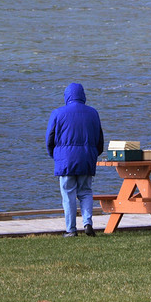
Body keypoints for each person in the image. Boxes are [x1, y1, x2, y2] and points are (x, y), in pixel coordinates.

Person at [45, 82, 104, 237]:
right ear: (83, 95)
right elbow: (100, 139)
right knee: (85, 191)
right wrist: (93, 155)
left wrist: (55, 156)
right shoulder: (93, 113)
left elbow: (49, 140)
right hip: (86, 158)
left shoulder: (57, 113)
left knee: (68, 194)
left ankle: (71, 229)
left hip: (65, 160)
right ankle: (88, 223)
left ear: (67, 96)